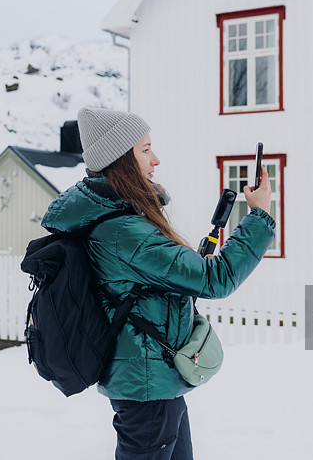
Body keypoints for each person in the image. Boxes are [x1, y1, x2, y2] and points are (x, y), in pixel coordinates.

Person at [41, 107, 276, 460]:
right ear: (121, 159)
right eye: (145, 149)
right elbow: (216, 279)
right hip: (146, 386)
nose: (156, 160)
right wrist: (259, 215)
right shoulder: (125, 231)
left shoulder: (117, 220)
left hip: (152, 381)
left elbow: (154, 282)